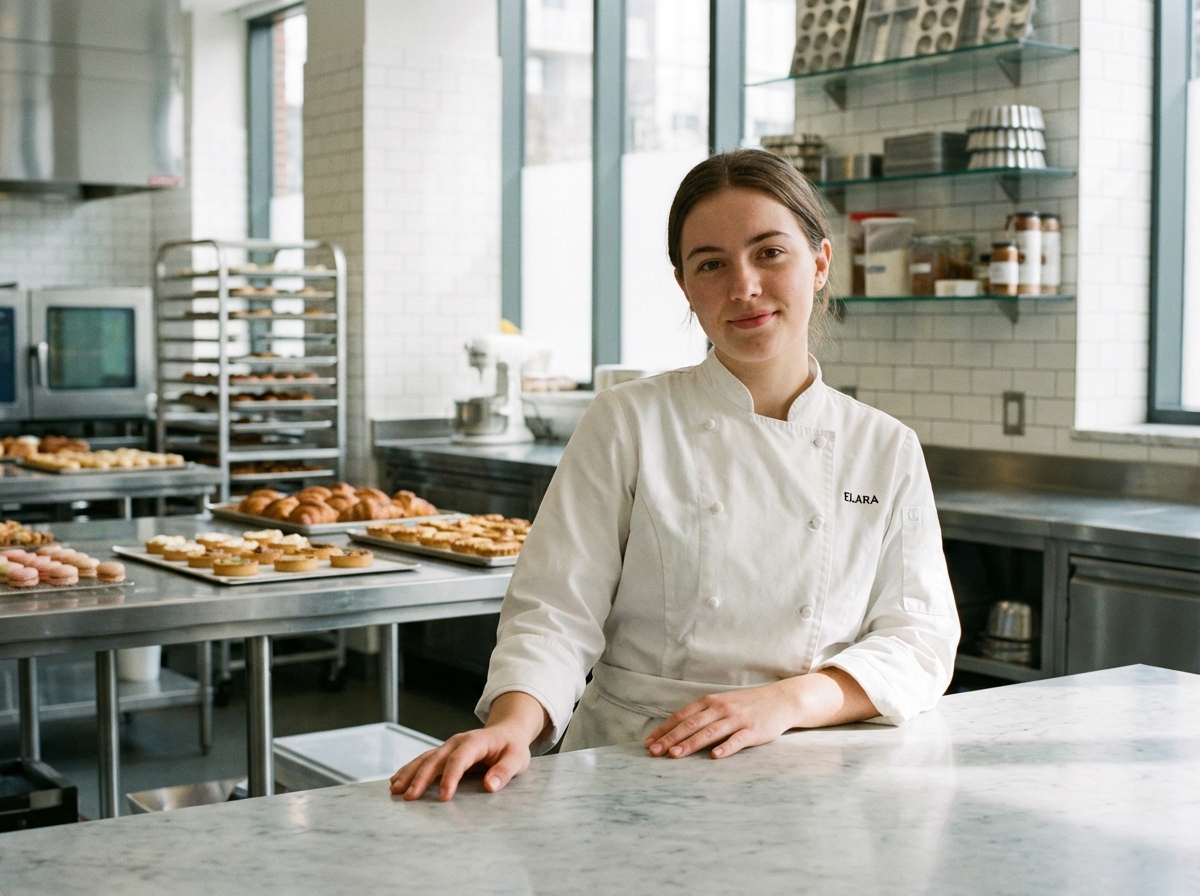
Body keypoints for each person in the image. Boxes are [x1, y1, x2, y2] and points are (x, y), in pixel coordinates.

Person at [391, 148, 960, 802]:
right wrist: (514, 725)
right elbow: (556, 608)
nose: (743, 286)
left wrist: (787, 701)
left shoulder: (883, 446)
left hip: (811, 767)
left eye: (769, 253)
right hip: (635, 762)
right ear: (685, 285)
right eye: (711, 264)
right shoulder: (627, 421)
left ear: (821, 263)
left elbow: (917, 639)